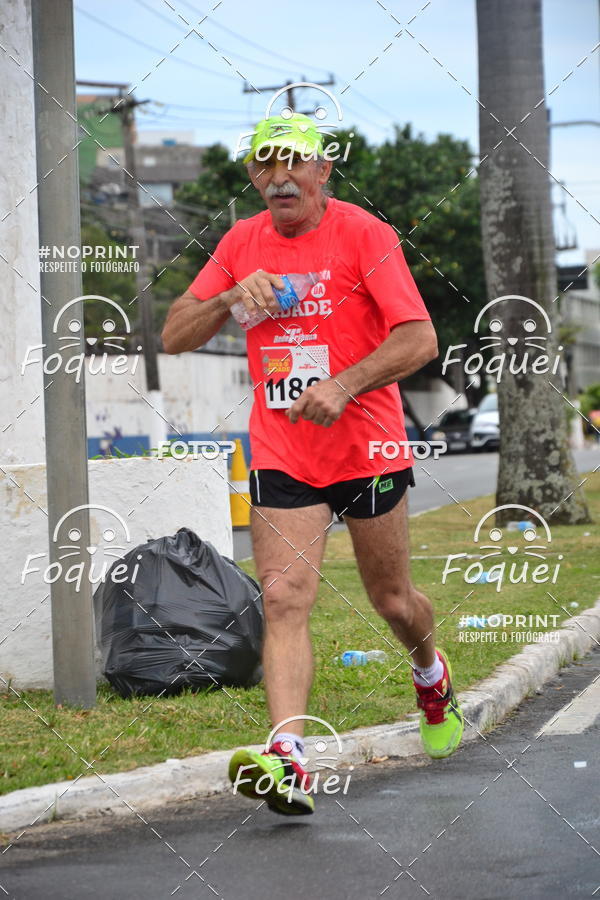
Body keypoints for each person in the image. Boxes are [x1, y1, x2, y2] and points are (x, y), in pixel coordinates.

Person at [162, 114, 463, 816]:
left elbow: (419, 337)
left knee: (392, 600)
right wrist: (232, 296)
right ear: (252, 177)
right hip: (283, 447)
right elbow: (175, 332)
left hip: (367, 444)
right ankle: (289, 757)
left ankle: (430, 671)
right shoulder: (241, 242)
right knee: (284, 595)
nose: (279, 177)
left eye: (294, 163)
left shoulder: (364, 234)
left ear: (324, 171)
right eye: (265, 165)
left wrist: (344, 384)